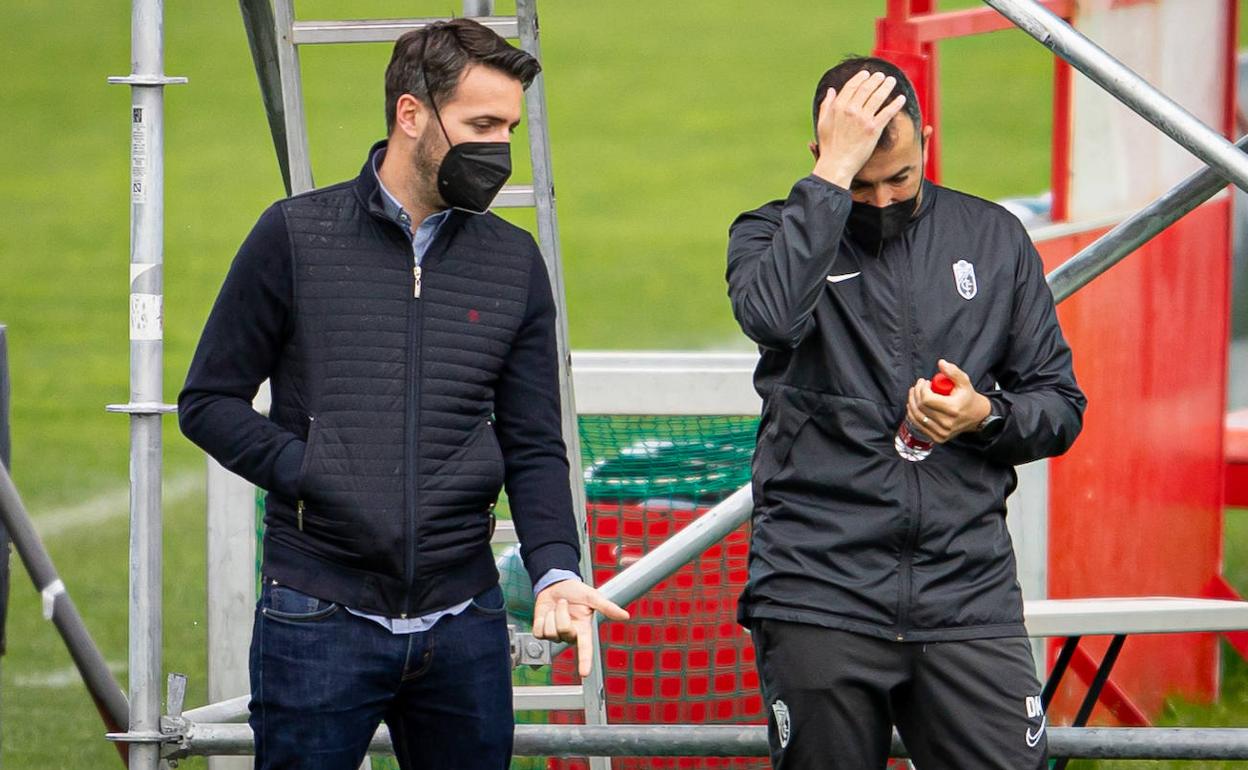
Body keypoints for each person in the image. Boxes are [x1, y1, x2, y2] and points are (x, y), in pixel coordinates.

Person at [179, 19, 626, 770]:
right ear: (411, 115)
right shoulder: (294, 236)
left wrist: (556, 566)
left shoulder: (514, 261)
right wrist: (312, 470)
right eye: (481, 126)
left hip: (465, 622)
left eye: (509, 129)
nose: (500, 149)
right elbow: (209, 402)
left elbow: (533, 442)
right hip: (317, 614)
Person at [725, 56, 1086, 769]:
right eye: (862, 185)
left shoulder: (993, 239)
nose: (884, 201)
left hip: (966, 593)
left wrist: (984, 416)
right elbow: (770, 317)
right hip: (819, 590)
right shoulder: (770, 234)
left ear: (928, 140)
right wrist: (830, 184)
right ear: (820, 155)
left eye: (901, 179)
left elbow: (1059, 405)